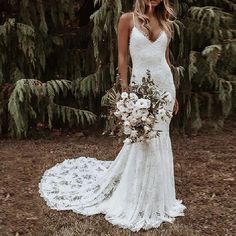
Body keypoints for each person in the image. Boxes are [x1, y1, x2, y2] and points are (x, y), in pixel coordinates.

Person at [39, 0, 186, 232]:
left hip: (164, 87)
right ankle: (136, 194)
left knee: (159, 137)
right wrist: (125, 91)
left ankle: (159, 198)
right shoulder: (127, 19)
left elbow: (166, 60)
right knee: (142, 139)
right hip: (139, 88)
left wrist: (174, 94)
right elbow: (122, 58)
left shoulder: (166, 23)